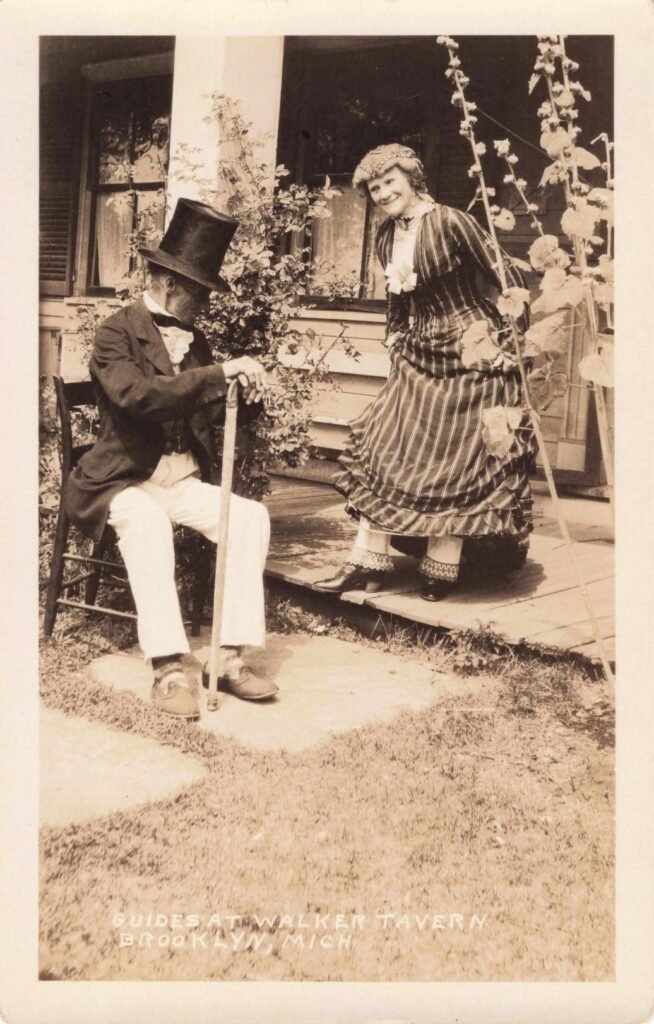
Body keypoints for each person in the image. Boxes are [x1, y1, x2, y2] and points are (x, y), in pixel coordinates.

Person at [66, 197, 277, 719]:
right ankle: (167, 667)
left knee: (249, 518)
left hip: (179, 480)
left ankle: (227, 658)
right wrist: (218, 374)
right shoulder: (115, 332)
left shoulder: (194, 339)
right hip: (123, 480)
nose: (204, 304)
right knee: (147, 523)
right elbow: (139, 398)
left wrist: (245, 396)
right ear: (168, 284)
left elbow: (211, 409)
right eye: (200, 292)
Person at [315, 145, 535, 601]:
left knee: (458, 462)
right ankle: (366, 561)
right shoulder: (385, 236)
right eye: (374, 189)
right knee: (386, 448)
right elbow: (397, 297)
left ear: (412, 178)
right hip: (418, 353)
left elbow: (507, 276)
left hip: (472, 354)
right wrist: (395, 336)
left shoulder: (452, 222)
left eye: (389, 182)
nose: (382, 193)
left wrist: (510, 342)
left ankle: (441, 568)